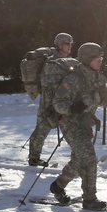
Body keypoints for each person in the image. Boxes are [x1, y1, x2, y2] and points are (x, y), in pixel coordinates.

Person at [48, 43, 107, 210]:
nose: (100, 62)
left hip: (85, 124)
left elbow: (106, 98)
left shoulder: (99, 78)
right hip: (71, 123)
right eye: (96, 59)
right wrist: (71, 108)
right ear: (86, 59)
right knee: (89, 159)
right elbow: (58, 102)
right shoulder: (73, 78)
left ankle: (58, 186)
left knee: (79, 161)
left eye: (101, 58)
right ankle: (89, 199)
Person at [27, 33, 73, 166]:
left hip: (64, 101)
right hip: (49, 102)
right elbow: (49, 84)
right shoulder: (52, 62)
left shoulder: (69, 60)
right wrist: (51, 106)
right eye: (66, 43)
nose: (69, 46)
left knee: (70, 129)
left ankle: (80, 156)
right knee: (42, 129)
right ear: (59, 45)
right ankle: (34, 157)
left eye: (71, 43)